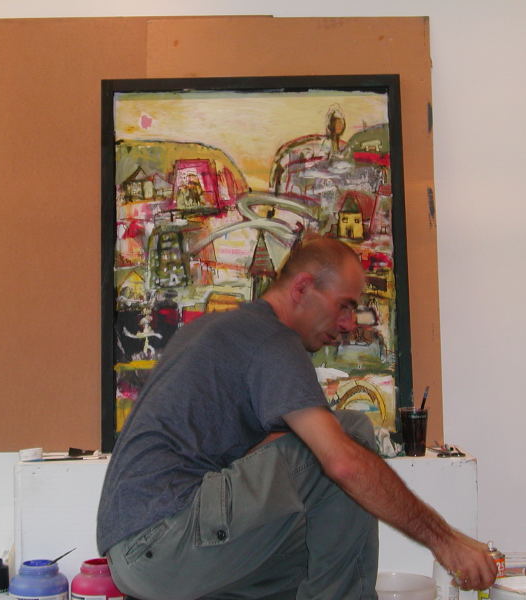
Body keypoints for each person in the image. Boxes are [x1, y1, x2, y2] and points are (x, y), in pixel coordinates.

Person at [97, 236, 496, 600]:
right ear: (303, 288)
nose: (348, 324)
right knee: (350, 434)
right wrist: (445, 541)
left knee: (311, 548)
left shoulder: (222, 331)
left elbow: (264, 458)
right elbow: (342, 462)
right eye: (344, 305)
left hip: (138, 558)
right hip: (163, 540)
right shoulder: (270, 339)